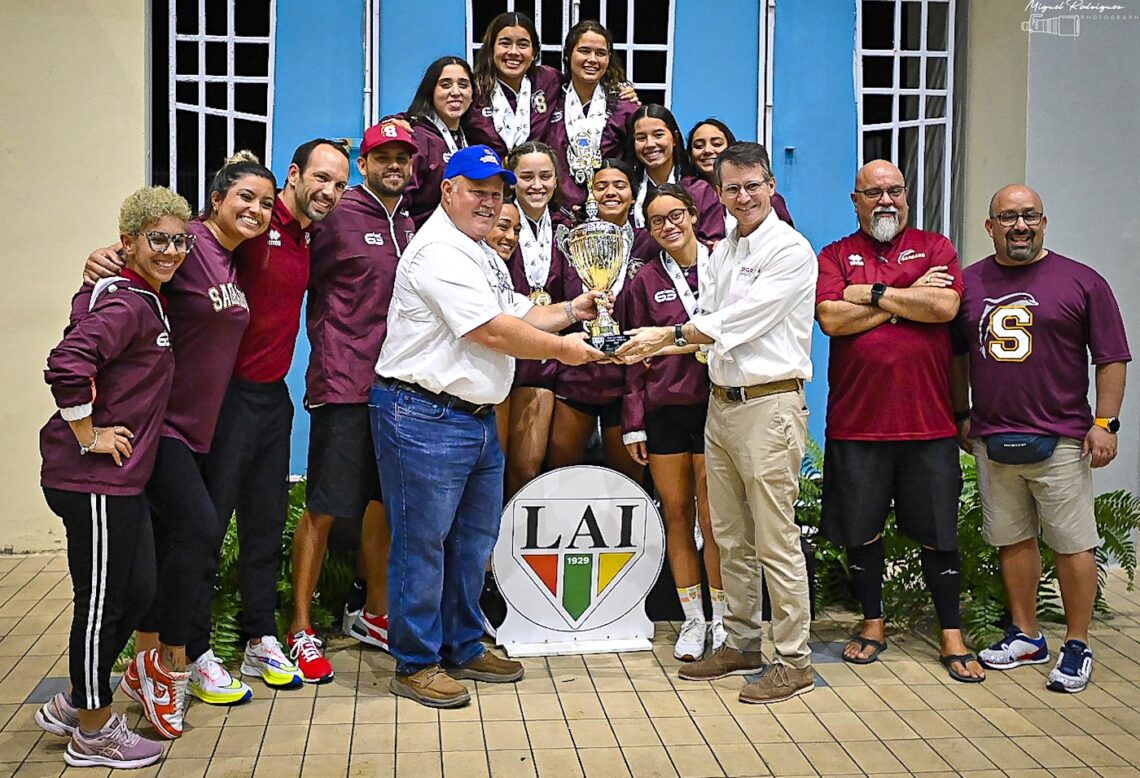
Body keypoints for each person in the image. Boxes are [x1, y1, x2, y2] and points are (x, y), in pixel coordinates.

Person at [371, 145, 606, 708]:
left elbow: (520, 313)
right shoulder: (437, 253)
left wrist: (574, 310)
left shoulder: (478, 252)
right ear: (447, 190)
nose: (489, 201)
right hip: (423, 414)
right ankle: (416, 662)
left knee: (474, 541)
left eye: (497, 192)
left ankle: (464, 642)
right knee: (422, 544)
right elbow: (492, 332)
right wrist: (565, 351)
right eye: (477, 189)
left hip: (473, 418)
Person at [80, 156, 278, 726]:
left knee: (170, 545)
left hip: (197, 430)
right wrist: (100, 260)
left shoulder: (230, 262)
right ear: (215, 199)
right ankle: (164, 660)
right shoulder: (188, 243)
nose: (255, 210)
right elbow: (129, 265)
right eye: (244, 197)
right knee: (195, 531)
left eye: (265, 203)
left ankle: (147, 666)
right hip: (157, 424)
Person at [616, 142, 816, 705]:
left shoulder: (790, 250)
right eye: (733, 188)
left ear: (771, 185)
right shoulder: (723, 250)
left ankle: (795, 658)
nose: (744, 196)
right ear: (720, 195)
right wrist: (650, 343)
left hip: (769, 403)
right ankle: (745, 642)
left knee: (775, 536)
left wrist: (668, 338)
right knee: (729, 534)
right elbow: (709, 321)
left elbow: (741, 321)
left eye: (753, 185)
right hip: (722, 403)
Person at [36, 186, 192, 768]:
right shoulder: (128, 303)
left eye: (178, 240)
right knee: (101, 604)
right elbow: (67, 363)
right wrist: (88, 435)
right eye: (158, 239)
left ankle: (75, 701)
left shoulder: (136, 296)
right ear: (128, 243)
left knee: (139, 592)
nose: (172, 250)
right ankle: (94, 732)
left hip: (121, 482)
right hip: (91, 479)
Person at [953, 184, 1130, 693]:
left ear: (1044, 222)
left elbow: (1111, 357)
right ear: (990, 227)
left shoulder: (1082, 281)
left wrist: (1105, 423)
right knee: (1012, 539)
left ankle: (1078, 643)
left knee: (1074, 544)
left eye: (1029, 216)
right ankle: (1026, 633)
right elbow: (957, 354)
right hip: (993, 436)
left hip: (1063, 438)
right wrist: (962, 411)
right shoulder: (970, 284)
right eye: (1008, 218)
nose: (1020, 226)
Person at [815, 160, 982, 683]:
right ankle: (872, 624)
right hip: (857, 422)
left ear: (906, 196)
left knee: (939, 534)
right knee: (860, 533)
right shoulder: (835, 254)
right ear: (856, 199)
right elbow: (830, 318)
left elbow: (946, 307)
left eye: (895, 191)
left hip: (928, 423)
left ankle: (951, 633)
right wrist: (909, 296)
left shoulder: (937, 247)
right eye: (874, 192)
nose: (886, 200)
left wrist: (873, 293)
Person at [200, 139, 350, 692]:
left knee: (263, 526)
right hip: (225, 399)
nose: (330, 192)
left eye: (339, 184)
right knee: (208, 528)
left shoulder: (309, 236)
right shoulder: (248, 228)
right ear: (295, 174)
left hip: (272, 398)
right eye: (322, 178)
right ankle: (193, 651)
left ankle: (260, 638)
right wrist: (112, 256)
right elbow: (187, 244)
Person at [286, 122, 418, 683]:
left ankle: (375, 615)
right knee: (325, 506)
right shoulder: (336, 216)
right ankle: (299, 629)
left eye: (402, 158)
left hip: (396, 388)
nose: (394, 165)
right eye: (382, 156)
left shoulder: (410, 223)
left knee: (381, 505)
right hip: (343, 384)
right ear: (364, 164)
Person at [621, 184, 725, 662]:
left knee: (713, 518)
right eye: (657, 220)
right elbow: (631, 358)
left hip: (714, 404)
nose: (668, 226)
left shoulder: (723, 262)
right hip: (665, 409)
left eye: (675, 215)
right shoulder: (643, 280)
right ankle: (693, 620)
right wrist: (633, 421)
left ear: (694, 214)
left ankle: (723, 620)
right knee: (677, 515)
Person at [545, 158, 654, 481]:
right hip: (578, 375)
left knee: (628, 486)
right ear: (589, 195)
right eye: (601, 186)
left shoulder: (647, 243)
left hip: (626, 381)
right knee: (556, 479)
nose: (610, 192)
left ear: (633, 196)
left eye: (619, 185)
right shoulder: (571, 242)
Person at [499, 142, 574, 498]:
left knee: (526, 466)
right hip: (498, 354)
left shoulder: (567, 227)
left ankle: (512, 550)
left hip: (541, 359)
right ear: (511, 179)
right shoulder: (497, 221)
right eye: (526, 177)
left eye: (545, 176)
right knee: (491, 466)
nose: (536, 185)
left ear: (557, 180)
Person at [544, 20, 640, 212]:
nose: (592, 59)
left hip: (610, 212)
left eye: (600, 53)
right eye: (584, 51)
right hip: (558, 213)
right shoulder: (551, 98)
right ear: (568, 54)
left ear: (609, 58)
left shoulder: (624, 107)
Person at [464, 12, 563, 156]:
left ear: (534, 52)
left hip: (535, 176)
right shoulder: (473, 89)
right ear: (491, 49)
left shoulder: (549, 81)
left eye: (523, 45)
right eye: (505, 43)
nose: (514, 52)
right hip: (487, 178)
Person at [625, 105, 724, 247]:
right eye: (641, 138)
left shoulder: (700, 190)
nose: (650, 144)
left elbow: (713, 245)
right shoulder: (627, 191)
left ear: (675, 138)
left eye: (658, 135)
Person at [403, 56, 475, 227]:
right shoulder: (417, 138)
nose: (456, 92)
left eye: (463, 85)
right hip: (421, 242)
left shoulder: (471, 138)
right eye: (445, 85)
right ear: (431, 91)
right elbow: (401, 201)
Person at [686, 119, 794, 230]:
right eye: (699, 146)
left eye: (717, 144)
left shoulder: (768, 198)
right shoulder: (688, 194)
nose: (707, 150)